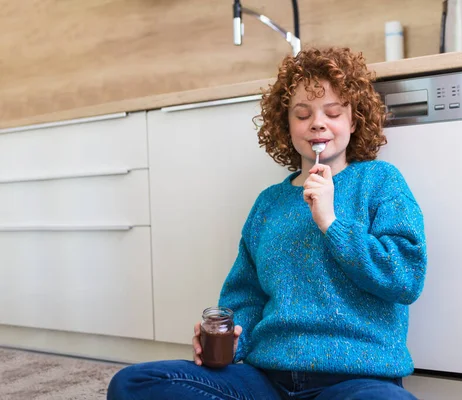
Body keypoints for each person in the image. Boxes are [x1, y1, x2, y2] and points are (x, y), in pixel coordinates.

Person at [107, 47, 427, 400]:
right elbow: (245, 297)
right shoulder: (269, 204)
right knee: (132, 384)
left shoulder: (380, 181)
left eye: (333, 112)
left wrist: (332, 223)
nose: (318, 123)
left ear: (353, 121)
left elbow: (406, 278)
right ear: (286, 126)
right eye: (303, 115)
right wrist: (228, 339)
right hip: (267, 381)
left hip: (355, 382)